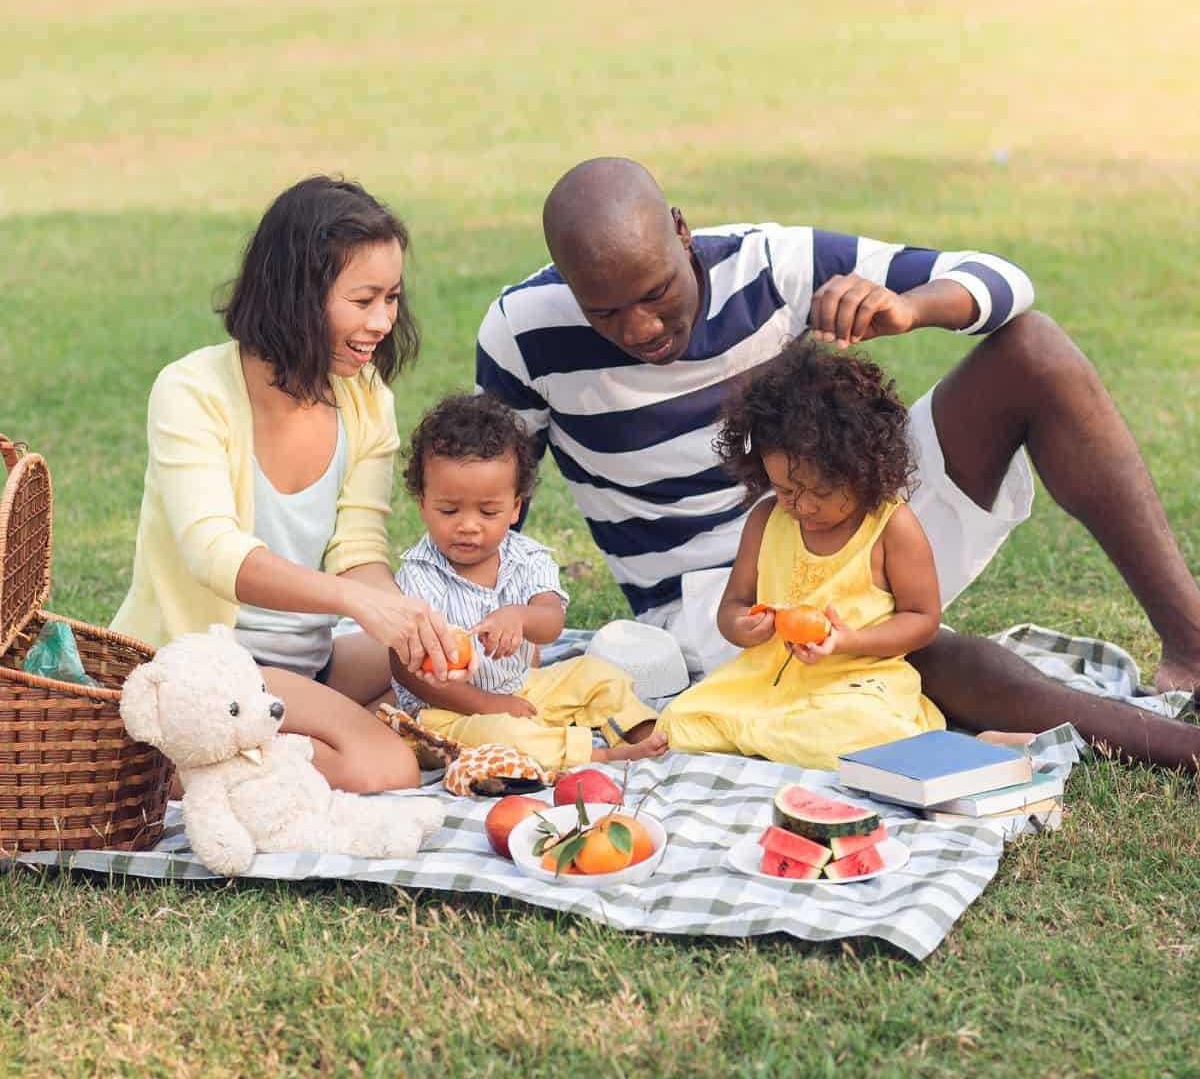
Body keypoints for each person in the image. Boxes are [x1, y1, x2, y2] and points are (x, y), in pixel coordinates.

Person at [476, 156, 1200, 769]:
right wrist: (482, 653)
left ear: (680, 230)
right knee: (926, 667)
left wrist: (910, 306)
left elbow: (1005, 281)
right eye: (603, 310)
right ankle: (1178, 746)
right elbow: (497, 507)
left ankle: (1192, 643)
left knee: (1033, 348)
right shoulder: (523, 331)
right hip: (718, 611)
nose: (639, 328)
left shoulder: (768, 264)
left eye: (656, 293)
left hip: (850, 520)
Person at [112, 175, 468, 792]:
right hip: (207, 666)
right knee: (387, 767)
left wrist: (401, 616)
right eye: (363, 301)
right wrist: (356, 603)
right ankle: (174, 762)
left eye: (392, 298)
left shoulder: (366, 401)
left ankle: (248, 748)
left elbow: (357, 549)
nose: (383, 320)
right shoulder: (192, 391)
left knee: (436, 678)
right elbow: (214, 553)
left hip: (304, 661)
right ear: (296, 296)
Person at [658, 340, 947, 769]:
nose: (803, 506)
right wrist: (743, 626)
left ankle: (765, 739)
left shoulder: (890, 526)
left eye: (822, 492)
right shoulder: (766, 520)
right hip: (767, 682)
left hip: (855, 684)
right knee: (676, 723)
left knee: (865, 731)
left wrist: (848, 641)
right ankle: (772, 736)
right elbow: (732, 607)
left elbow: (923, 619)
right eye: (787, 490)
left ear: (865, 470)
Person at [385, 392, 668, 770]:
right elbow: (406, 670)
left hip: (524, 687)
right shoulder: (418, 575)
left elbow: (551, 622)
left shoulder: (527, 557)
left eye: (489, 511)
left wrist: (520, 616)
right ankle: (597, 755)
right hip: (449, 714)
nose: (468, 525)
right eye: (448, 510)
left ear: (516, 506)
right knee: (505, 737)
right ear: (422, 502)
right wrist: (490, 706)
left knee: (595, 672)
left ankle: (637, 728)